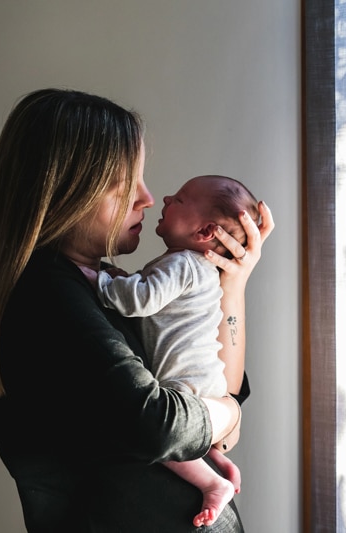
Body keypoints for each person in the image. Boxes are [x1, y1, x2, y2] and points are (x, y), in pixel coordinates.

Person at [0, 88, 274, 532]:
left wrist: (232, 285)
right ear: (67, 189)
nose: (147, 197)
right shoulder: (46, 294)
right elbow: (164, 424)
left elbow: (222, 393)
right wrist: (228, 412)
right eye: (126, 184)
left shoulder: (102, 285)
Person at [90, 175, 260, 527]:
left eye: (180, 199)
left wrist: (100, 281)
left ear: (204, 232)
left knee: (176, 441)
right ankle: (218, 467)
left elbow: (140, 298)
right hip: (203, 383)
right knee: (192, 438)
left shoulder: (182, 264)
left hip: (188, 384)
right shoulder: (195, 269)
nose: (160, 198)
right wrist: (228, 414)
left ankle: (213, 482)